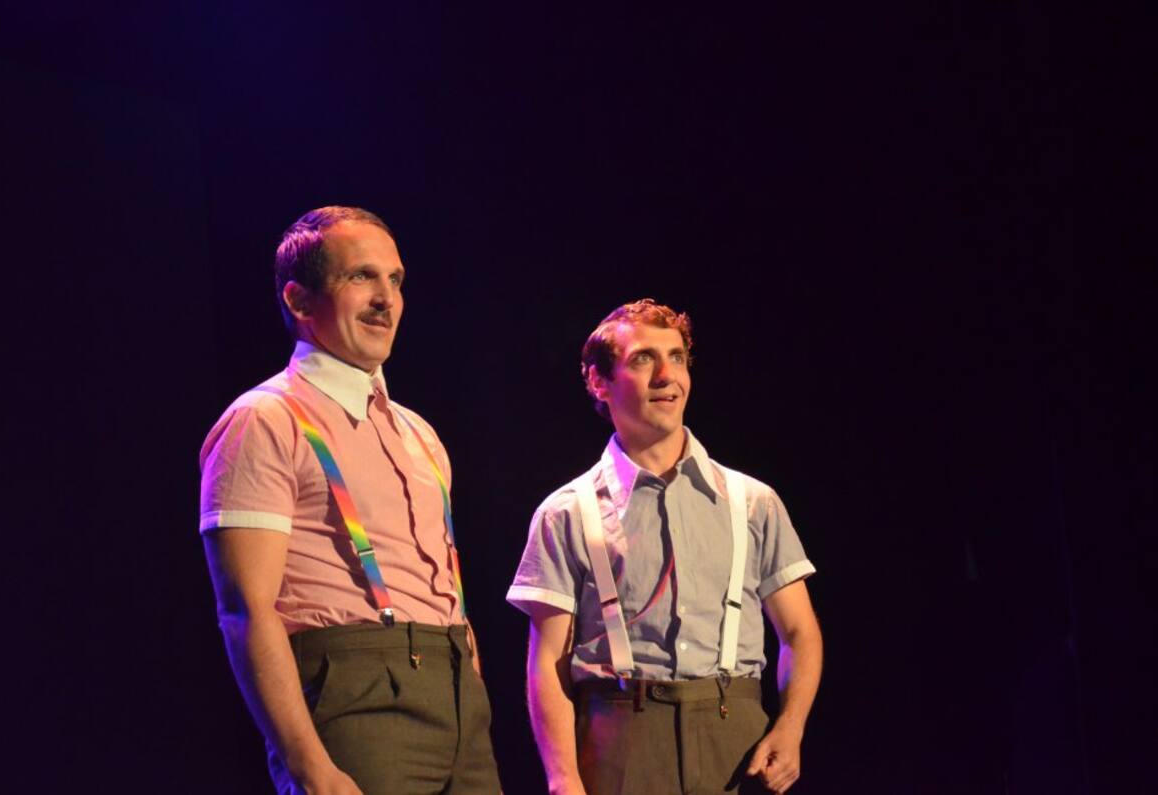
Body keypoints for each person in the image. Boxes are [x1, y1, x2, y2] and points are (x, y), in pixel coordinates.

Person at [200, 206, 500, 795]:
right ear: (299, 299)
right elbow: (245, 610)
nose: (386, 299)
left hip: (458, 699)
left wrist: (468, 684)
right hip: (357, 696)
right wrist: (308, 767)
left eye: (396, 280)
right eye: (362, 276)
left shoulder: (418, 433)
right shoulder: (265, 419)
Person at [507, 299, 822, 794]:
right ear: (599, 382)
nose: (666, 375)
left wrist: (790, 727)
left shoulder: (751, 501)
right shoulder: (567, 512)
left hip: (734, 739)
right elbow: (548, 661)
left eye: (676, 357)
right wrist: (563, 779)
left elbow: (800, 633)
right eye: (642, 359)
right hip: (621, 740)